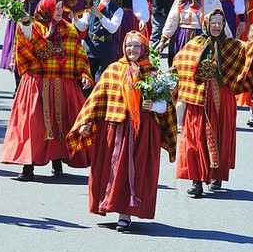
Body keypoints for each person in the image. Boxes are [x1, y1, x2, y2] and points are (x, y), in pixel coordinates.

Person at [66, 31, 177, 231]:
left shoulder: (152, 73)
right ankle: (111, 203)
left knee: (134, 170)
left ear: (143, 49)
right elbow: (98, 98)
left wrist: (153, 106)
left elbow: (166, 105)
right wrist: (87, 121)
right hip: (114, 127)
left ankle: (125, 214)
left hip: (142, 131)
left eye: (136, 46)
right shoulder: (113, 70)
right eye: (128, 46)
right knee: (113, 169)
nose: (131, 50)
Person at [172, 9, 253, 197]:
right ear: (206, 24)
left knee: (222, 135)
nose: (216, 26)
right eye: (213, 22)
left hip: (223, 98)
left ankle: (217, 175)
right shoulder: (194, 44)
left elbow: (249, 50)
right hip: (198, 99)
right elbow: (179, 63)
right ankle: (196, 181)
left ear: (223, 26)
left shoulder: (230, 45)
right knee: (195, 138)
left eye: (219, 23)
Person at [0, 0, 93, 180]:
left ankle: (57, 161)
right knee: (33, 125)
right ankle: (28, 167)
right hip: (37, 84)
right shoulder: (33, 27)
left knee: (62, 123)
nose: (60, 12)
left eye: (61, 8)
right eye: (56, 8)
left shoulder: (68, 29)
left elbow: (79, 53)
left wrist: (84, 74)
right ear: (47, 9)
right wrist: (24, 22)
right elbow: (24, 46)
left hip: (63, 83)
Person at [157, 0, 223, 65]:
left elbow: (221, 19)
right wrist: (163, 40)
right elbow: (172, 19)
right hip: (183, 37)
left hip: (203, 37)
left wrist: (227, 39)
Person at [75, 0, 122, 83]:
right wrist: (75, 18)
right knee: (86, 80)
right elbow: (83, 26)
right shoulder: (91, 5)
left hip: (105, 49)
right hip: (90, 47)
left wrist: (100, 16)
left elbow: (112, 28)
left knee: (100, 81)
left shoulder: (117, 10)